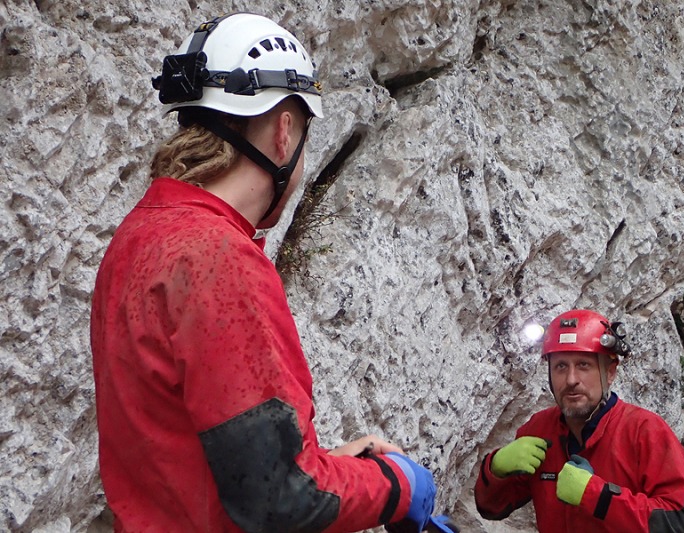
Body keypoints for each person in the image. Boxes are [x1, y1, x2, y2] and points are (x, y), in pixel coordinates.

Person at [91, 12, 444, 533]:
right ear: (284, 131)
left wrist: (335, 467)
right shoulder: (219, 261)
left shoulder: (140, 235)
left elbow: (191, 453)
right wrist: (397, 484)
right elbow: (281, 503)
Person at [474, 309, 684, 532]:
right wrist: (496, 469)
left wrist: (597, 496)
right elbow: (491, 507)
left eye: (584, 365)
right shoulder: (539, 431)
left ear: (610, 373)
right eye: (561, 366)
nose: (571, 380)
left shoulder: (646, 432)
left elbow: (681, 525)